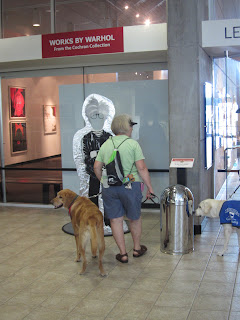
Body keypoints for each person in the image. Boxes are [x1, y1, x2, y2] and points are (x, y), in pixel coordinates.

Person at [94, 114, 154, 263]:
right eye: (131, 125)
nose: (132, 128)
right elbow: (141, 168)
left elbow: (96, 166)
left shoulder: (106, 144)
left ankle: (122, 253)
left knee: (115, 220)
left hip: (110, 187)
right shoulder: (133, 144)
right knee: (134, 218)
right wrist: (150, 187)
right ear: (127, 127)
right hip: (130, 186)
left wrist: (103, 180)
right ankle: (136, 249)